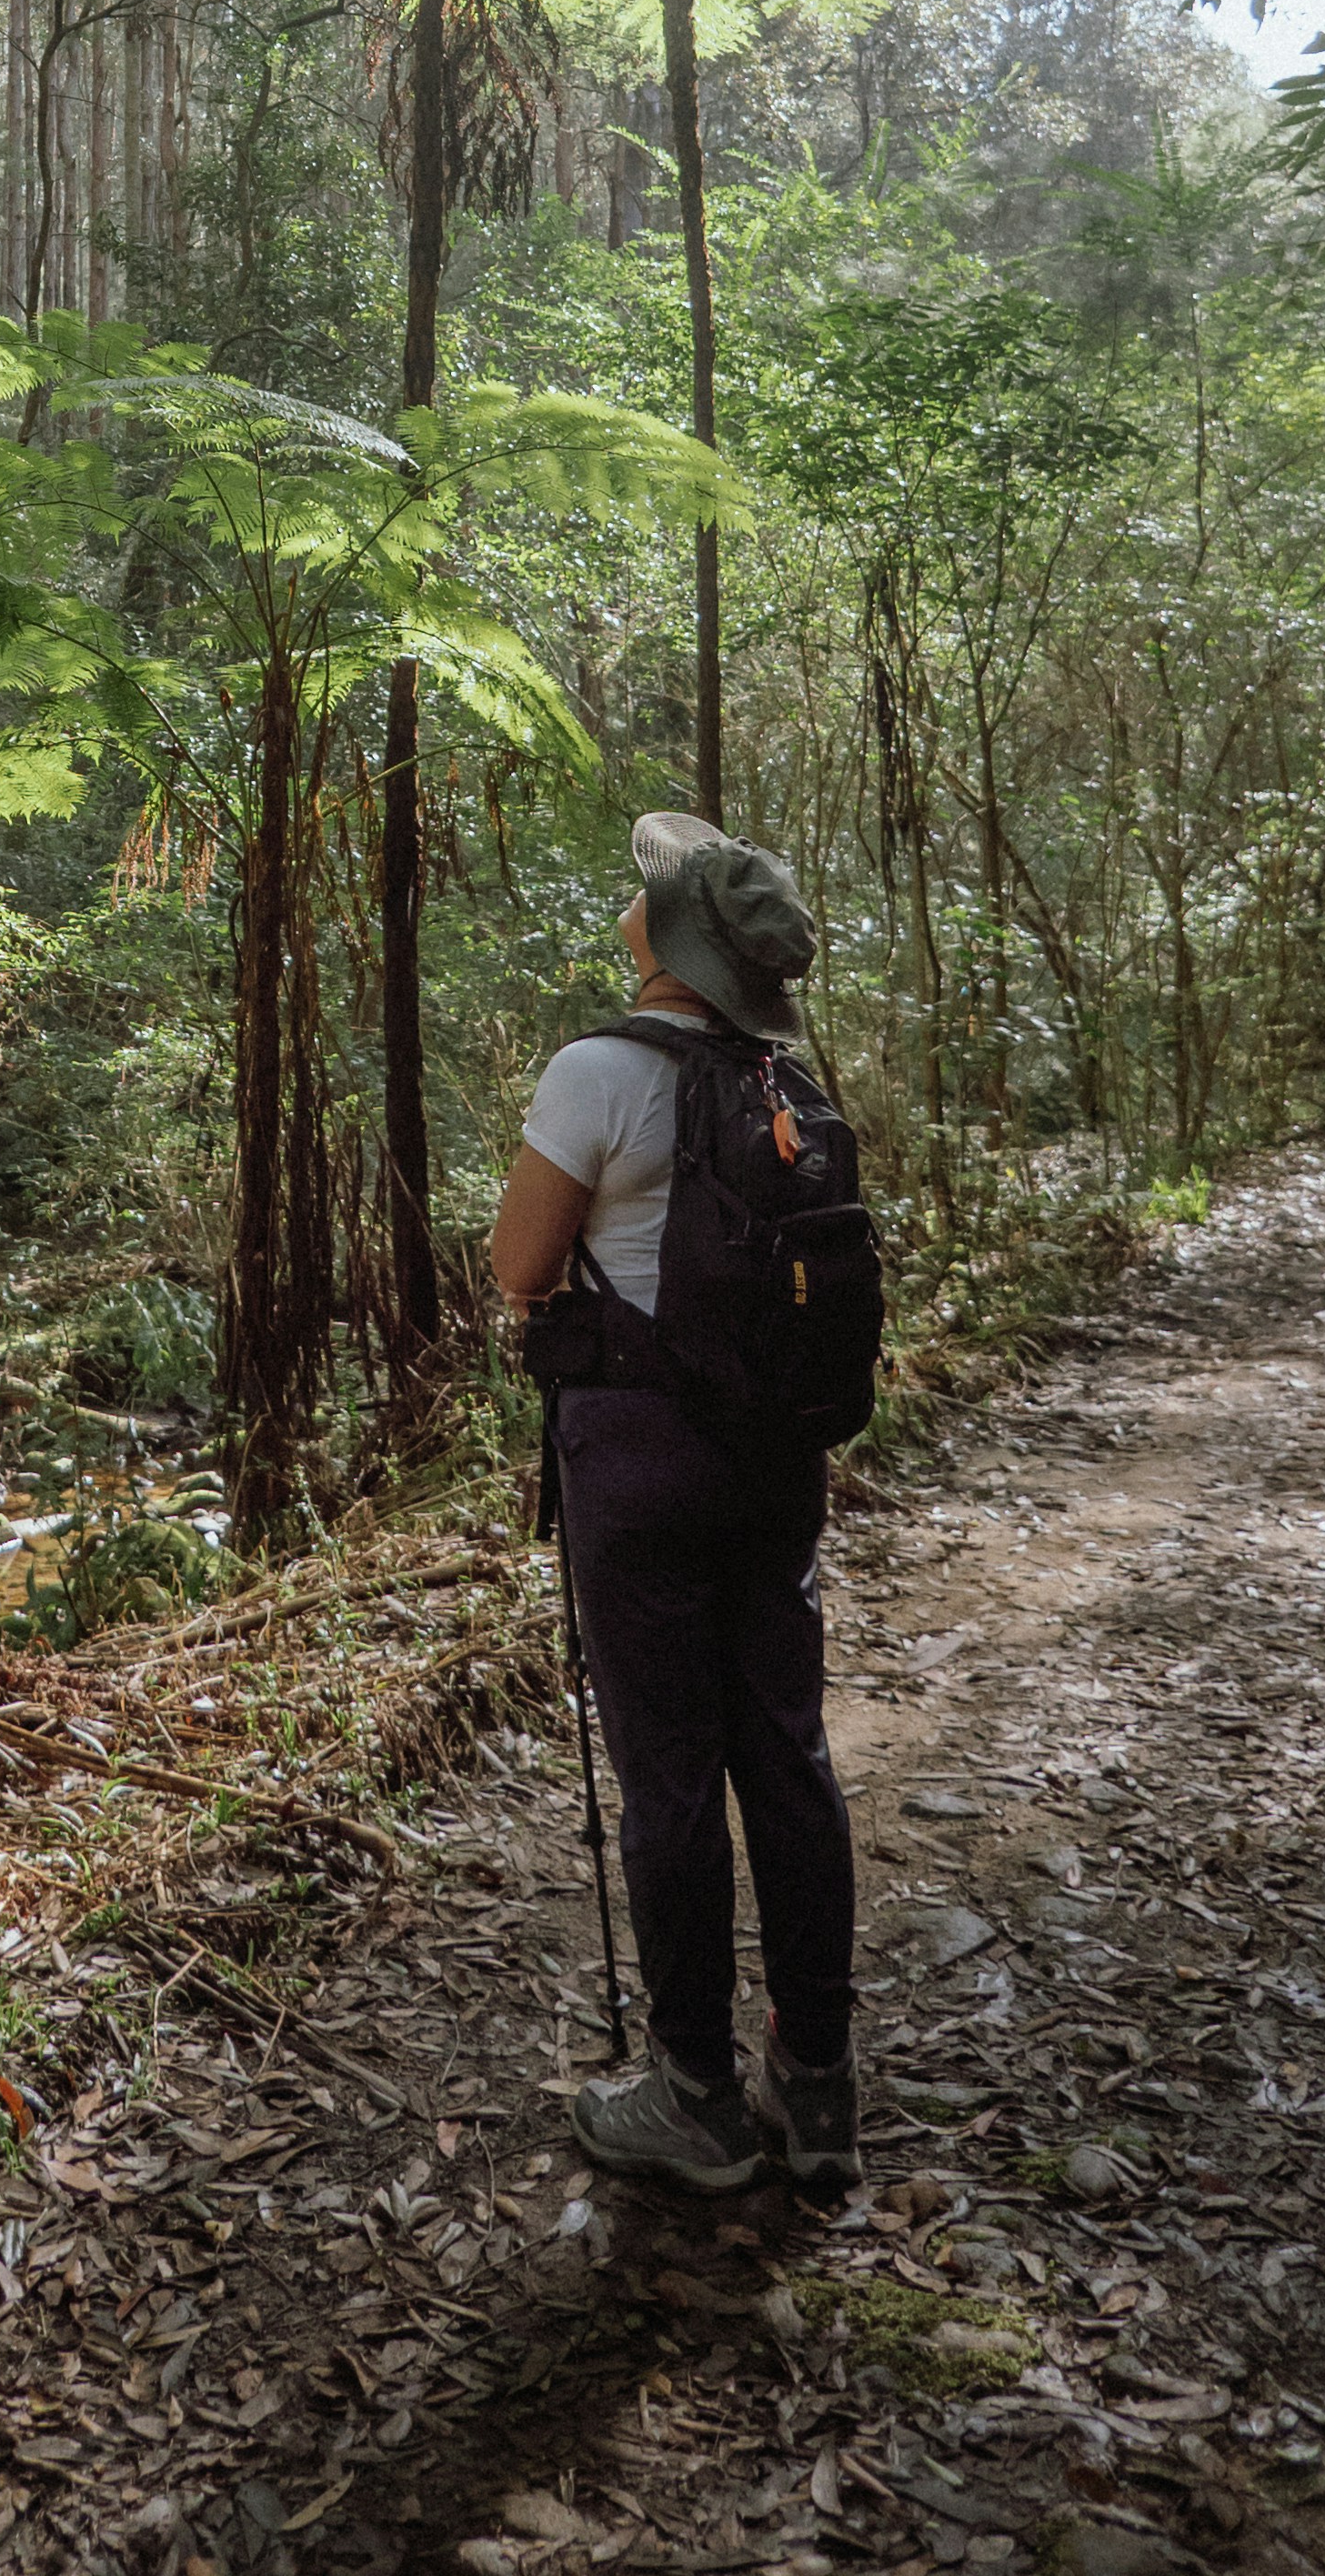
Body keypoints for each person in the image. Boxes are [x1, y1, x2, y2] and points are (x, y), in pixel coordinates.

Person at [490, 807, 861, 2197]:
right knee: (788, 1755)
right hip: (777, 1465)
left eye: (649, 895)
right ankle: (816, 2085)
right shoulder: (788, 1085)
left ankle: (695, 2094)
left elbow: (519, 1267)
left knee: (670, 1775)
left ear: (673, 942)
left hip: (640, 1465)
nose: (631, 902)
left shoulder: (598, 1072)